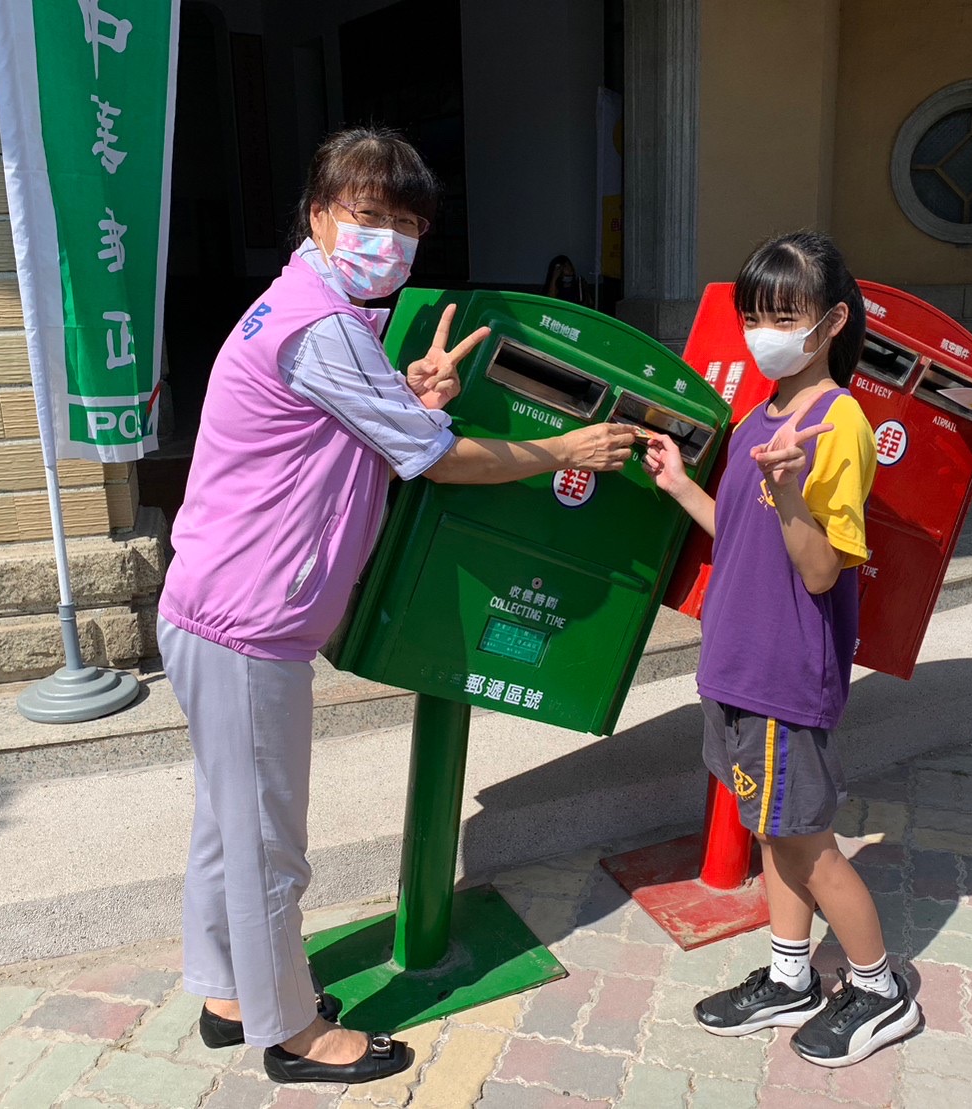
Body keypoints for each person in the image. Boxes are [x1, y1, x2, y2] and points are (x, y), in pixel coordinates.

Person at [156, 127, 635, 1086]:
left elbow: (347, 428)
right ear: (318, 213)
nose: (388, 239)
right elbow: (441, 459)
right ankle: (291, 1034)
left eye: (406, 223)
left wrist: (409, 392)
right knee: (263, 838)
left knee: (229, 818)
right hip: (249, 619)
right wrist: (561, 449)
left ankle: (227, 991)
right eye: (367, 216)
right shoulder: (323, 323)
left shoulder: (315, 307)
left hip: (220, 606)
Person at [643, 231, 920, 1067]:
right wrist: (683, 485)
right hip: (735, 660)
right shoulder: (762, 411)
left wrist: (790, 489)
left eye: (785, 314)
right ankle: (790, 973)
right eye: (755, 314)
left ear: (832, 321)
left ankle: (879, 989)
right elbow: (744, 538)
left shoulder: (838, 426)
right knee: (773, 829)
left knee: (806, 841)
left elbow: (817, 568)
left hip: (783, 673)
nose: (766, 330)